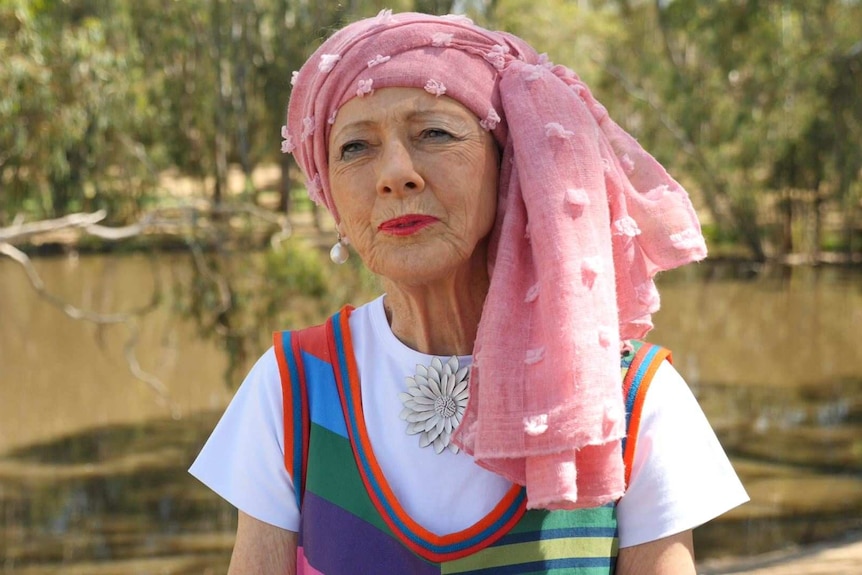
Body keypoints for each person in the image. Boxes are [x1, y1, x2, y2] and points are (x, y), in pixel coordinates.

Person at [190, 10, 748, 575]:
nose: (396, 174)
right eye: (356, 147)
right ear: (329, 194)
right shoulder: (292, 389)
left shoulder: (631, 397)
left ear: (511, 167)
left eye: (434, 132)